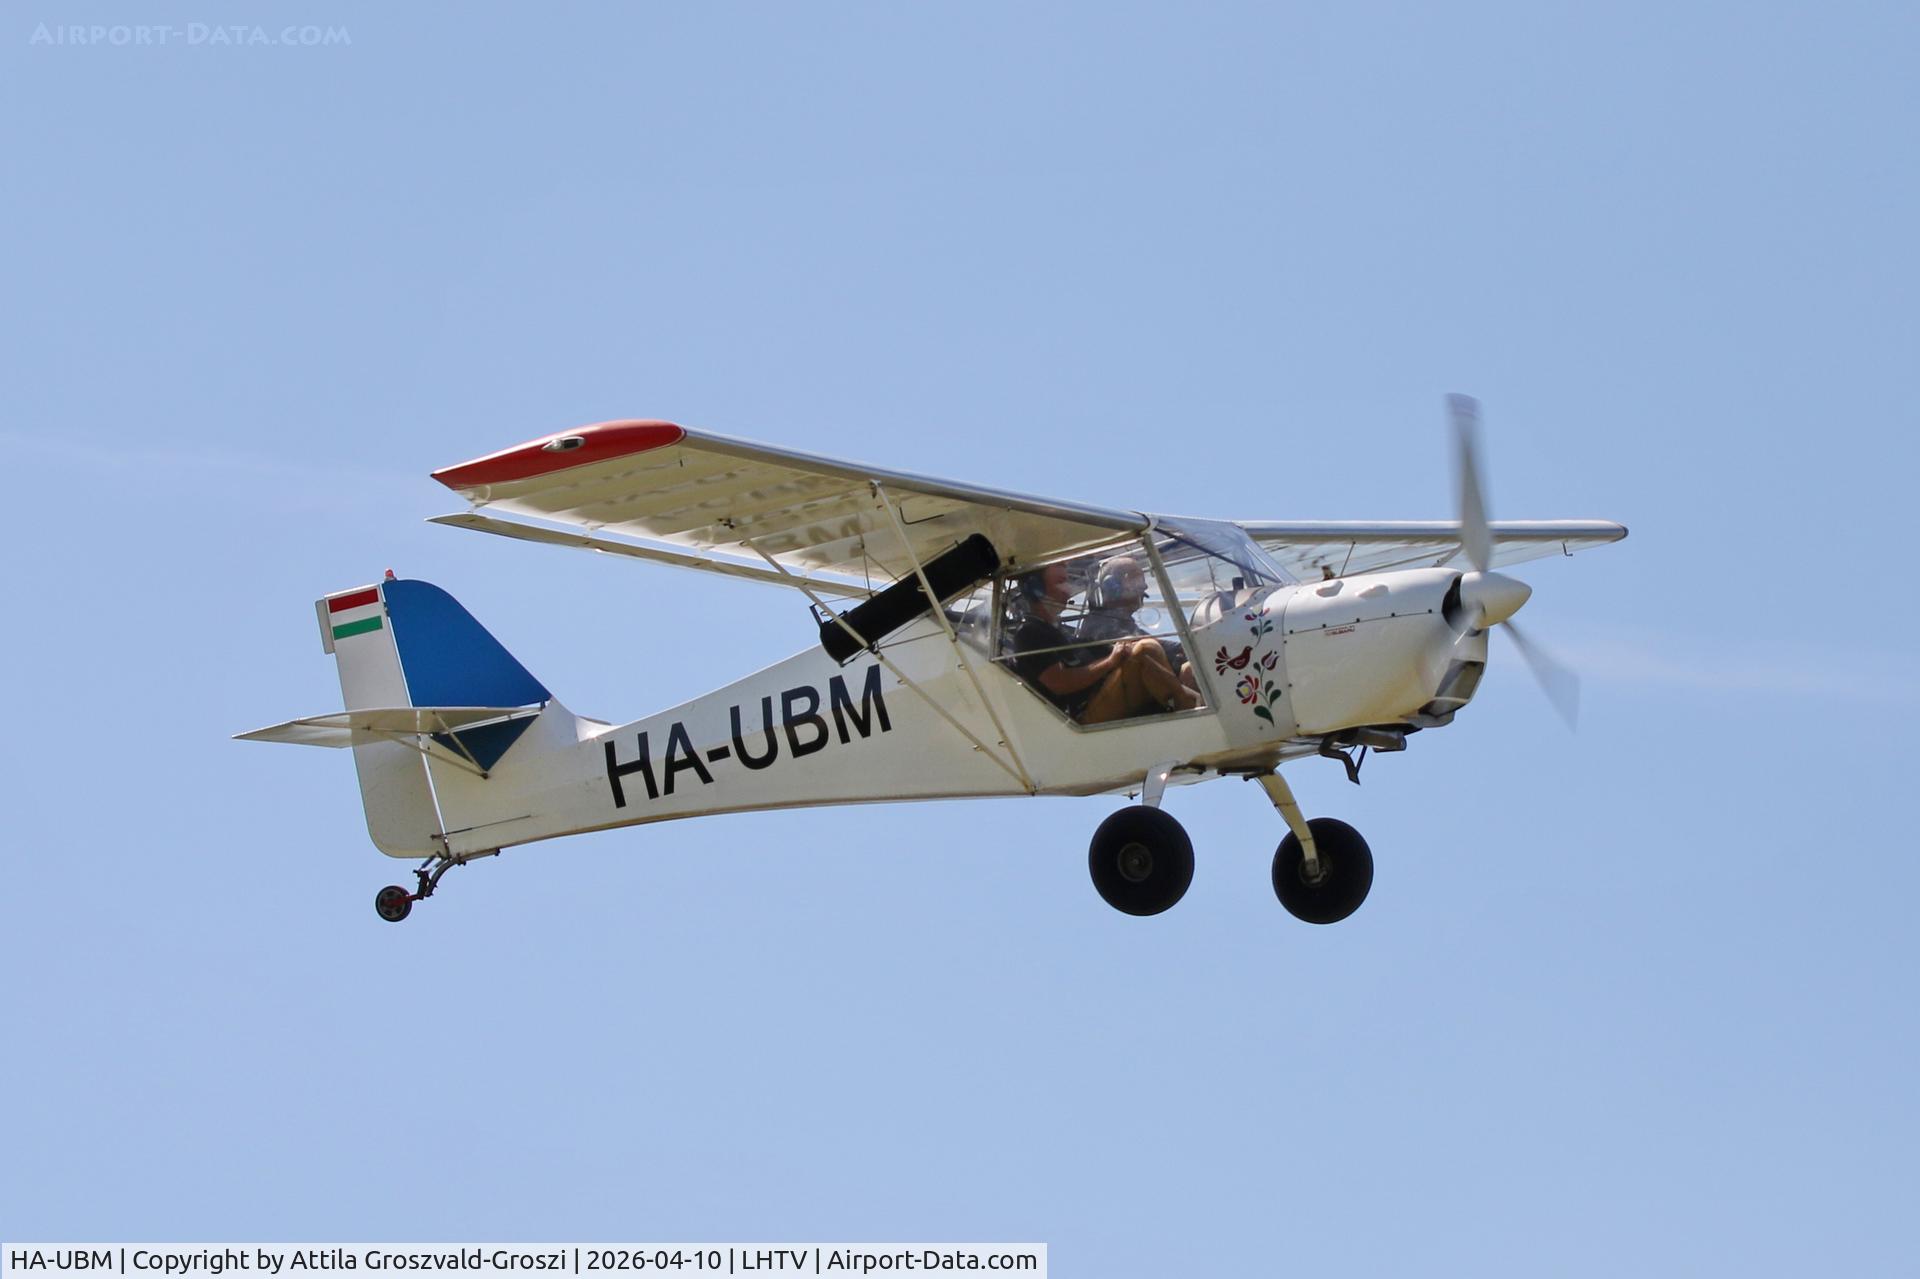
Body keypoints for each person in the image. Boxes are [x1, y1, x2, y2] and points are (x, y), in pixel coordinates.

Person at [1006, 560, 1199, 724]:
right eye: (1061, 581)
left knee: (1190, 669)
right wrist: (1110, 661)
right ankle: (1193, 717)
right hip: (1077, 717)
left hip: (1097, 701)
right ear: (1036, 589)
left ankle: (1197, 708)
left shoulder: (1058, 631)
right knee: (1145, 649)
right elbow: (1060, 683)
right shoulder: (1030, 633)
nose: (1068, 589)